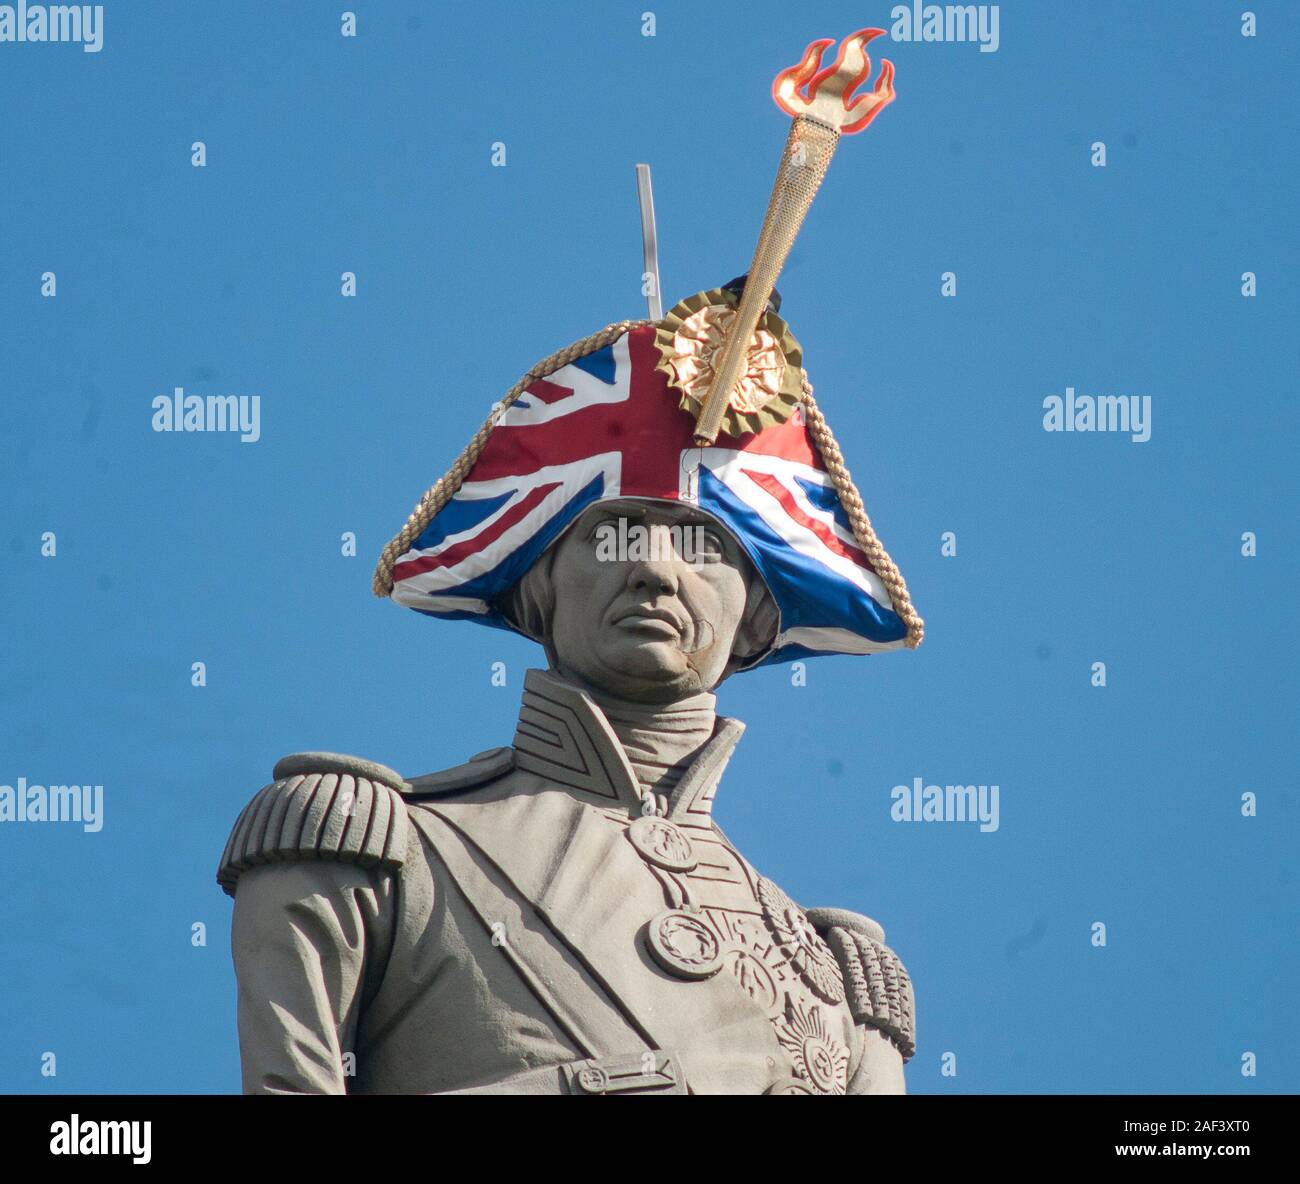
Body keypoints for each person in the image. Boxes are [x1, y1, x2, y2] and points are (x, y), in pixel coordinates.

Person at [218, 286, 920, 1094]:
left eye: (700, 544)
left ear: (758, 617)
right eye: (608, 535)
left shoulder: (840, 981)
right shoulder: (379, 848)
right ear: (538, 587)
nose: (654, 568)